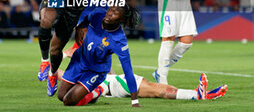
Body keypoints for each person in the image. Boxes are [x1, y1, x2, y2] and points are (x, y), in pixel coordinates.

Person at [57, 4, 141, 107]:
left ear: (121, 19)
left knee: (68, 101)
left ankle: (95, 92)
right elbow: (86, 18)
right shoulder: (98, 14)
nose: (109, 13)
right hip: (79, 60)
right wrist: (80, 27)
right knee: (61, 96)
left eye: (115, 13)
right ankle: (88, 91)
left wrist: (134, 101)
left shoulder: (119, 41)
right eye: (110, 9)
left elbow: (128, 70)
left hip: (95, 71)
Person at [58, 70, 227, 101]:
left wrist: (50, 71)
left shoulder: (84, 76)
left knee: (154, 87)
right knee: (154, 90)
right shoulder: (88, 83)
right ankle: (197, 95)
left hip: (115, 82)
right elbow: (64, 75)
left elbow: (63, 74)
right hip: (116, 84)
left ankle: (196, 93)